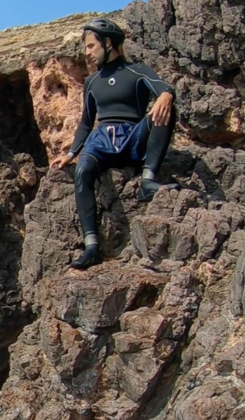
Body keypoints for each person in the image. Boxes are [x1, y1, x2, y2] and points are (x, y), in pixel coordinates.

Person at [50, 18, 177, 270]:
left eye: (90, 46)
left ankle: (147, 180)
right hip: (102, 141)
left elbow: (162, 87)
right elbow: (86, 123)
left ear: (108, 43)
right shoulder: (91, 82)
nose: (87, 52)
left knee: (165, 108)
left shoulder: (136, 71)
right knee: (83, 171)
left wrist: (166, 94)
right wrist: (71, 153)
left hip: (133, 136)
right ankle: (91, 246)